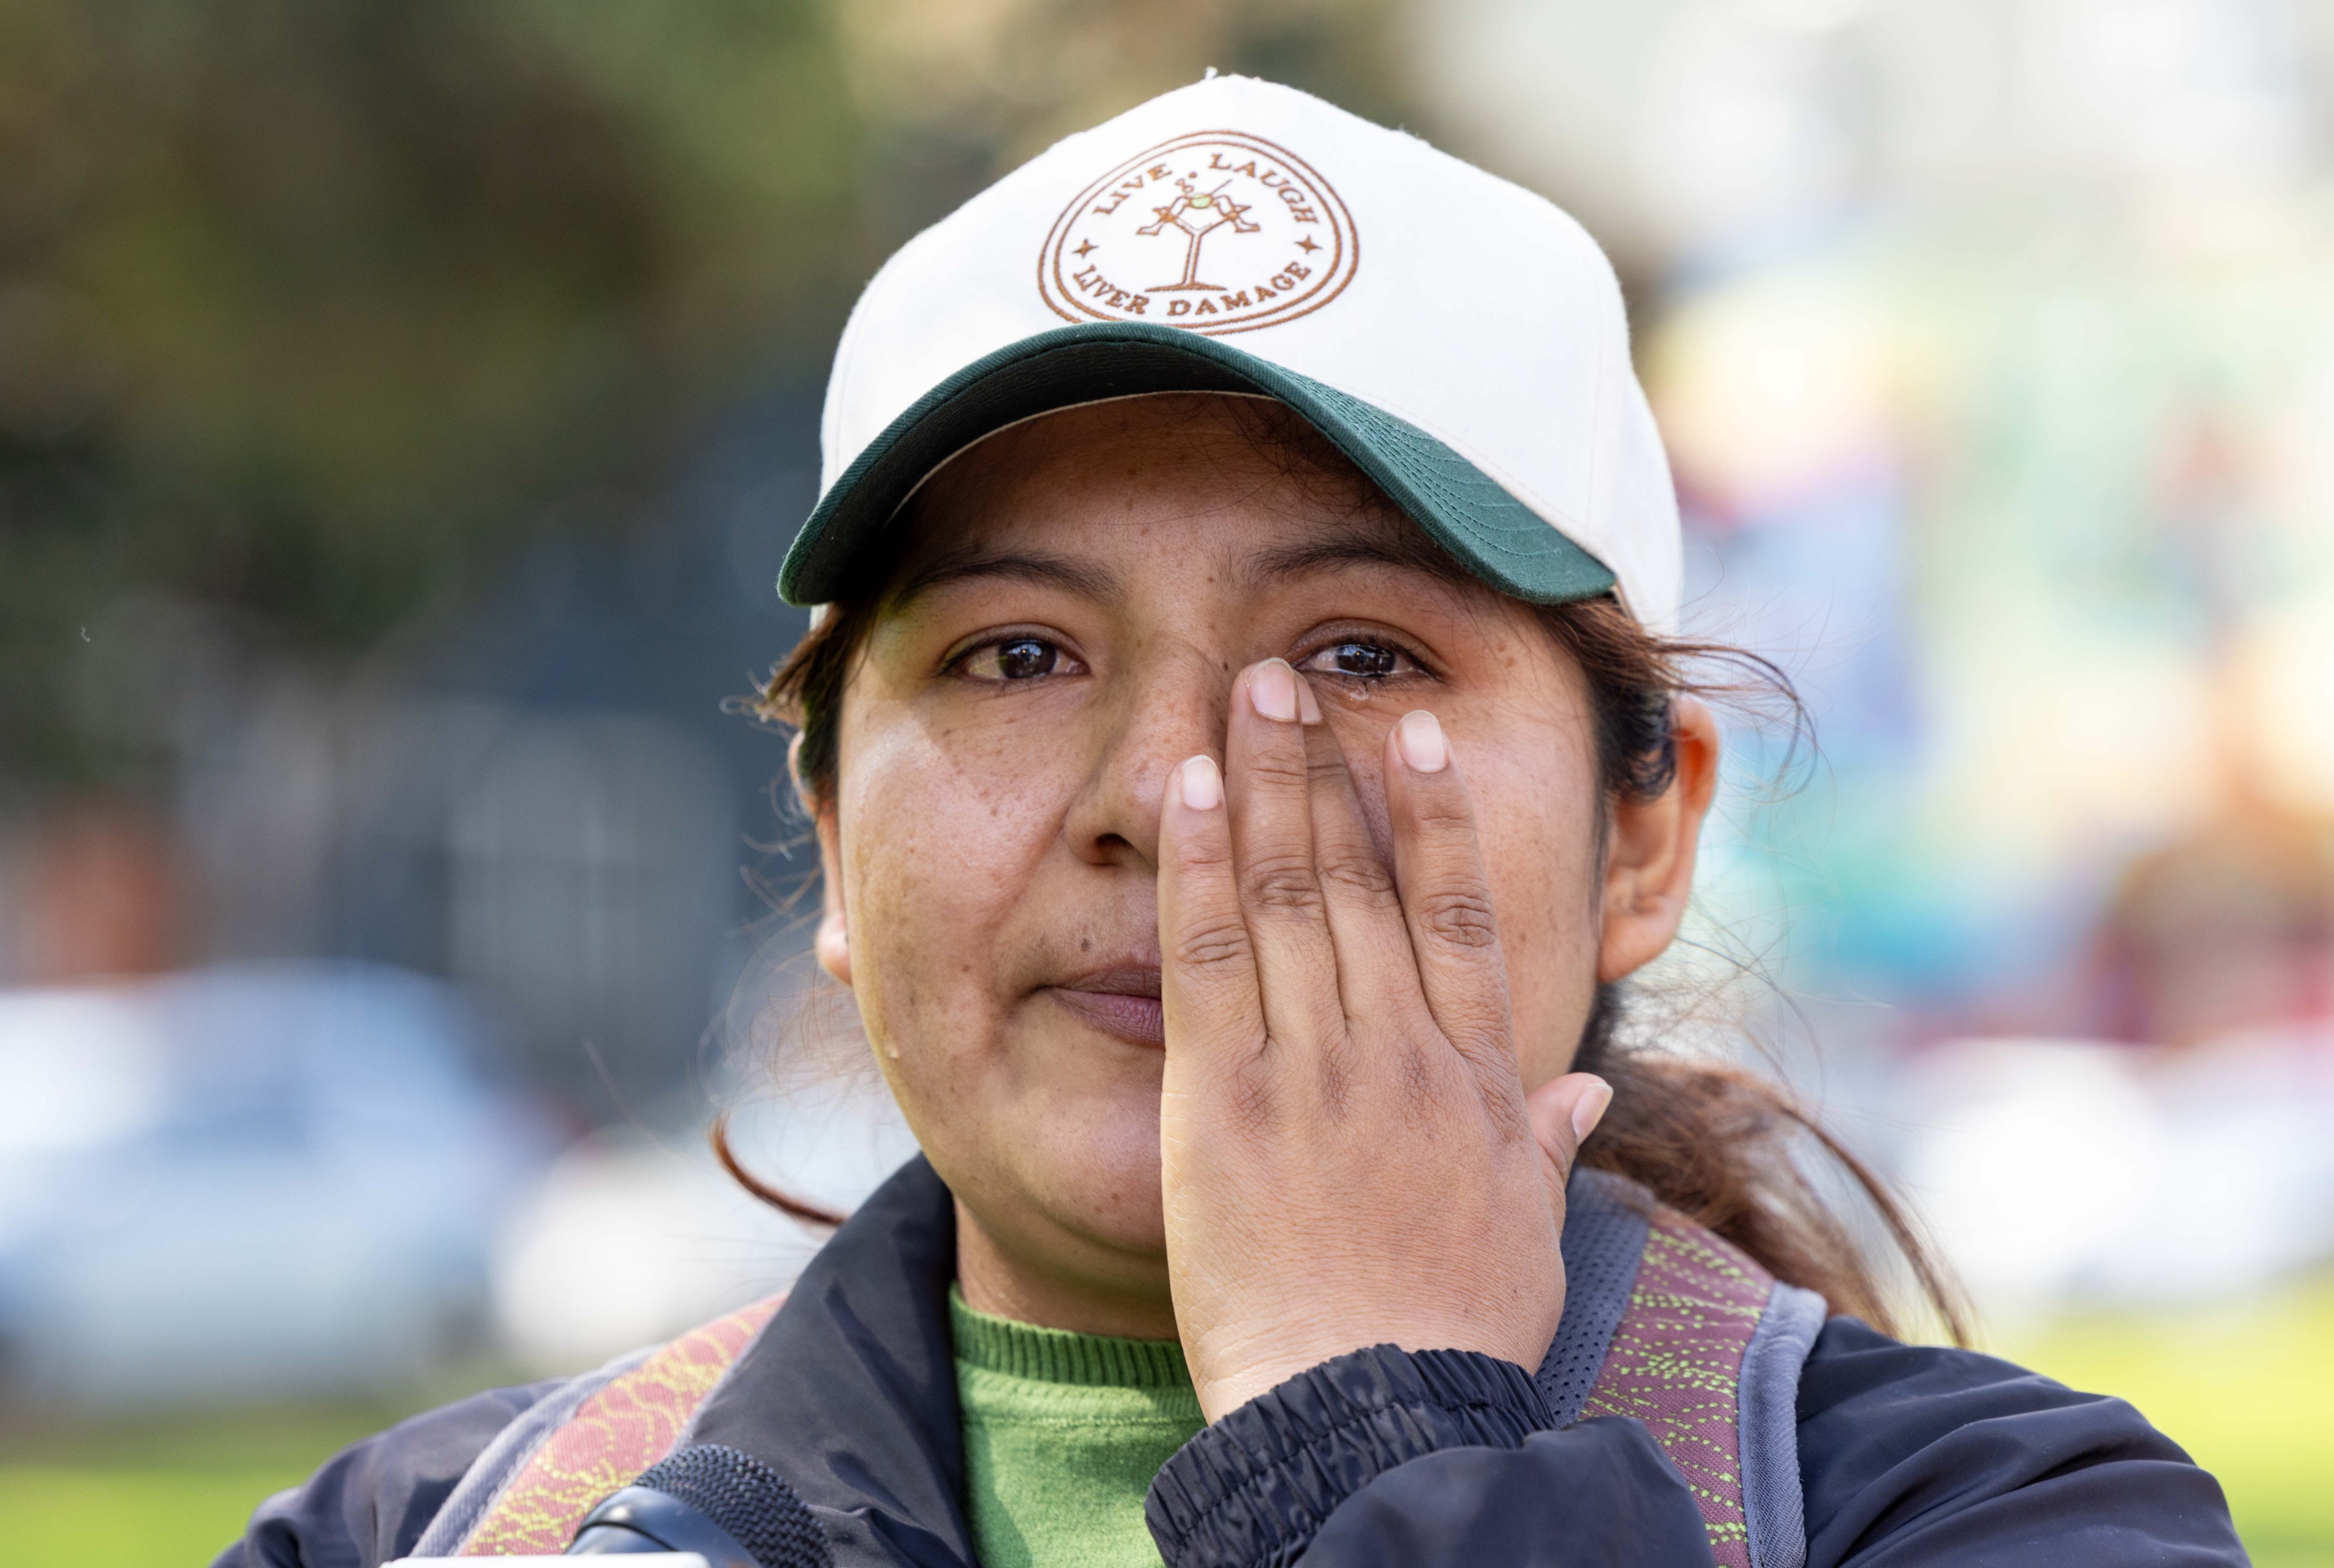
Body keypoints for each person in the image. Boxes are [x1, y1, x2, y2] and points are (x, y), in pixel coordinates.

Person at [220, 76, 2246, 1568]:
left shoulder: (2003, 1518)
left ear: (1647, 835)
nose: (1166, 809)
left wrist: (1381, 1423)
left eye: (1358, 655)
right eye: (1017, 657)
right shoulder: (432, 1537)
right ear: (832, 829)